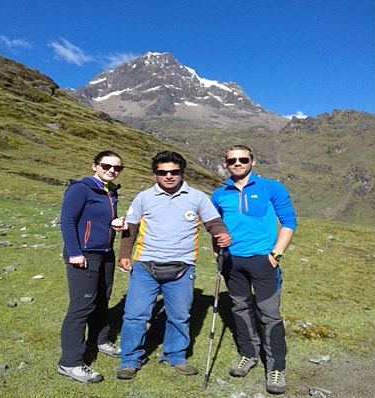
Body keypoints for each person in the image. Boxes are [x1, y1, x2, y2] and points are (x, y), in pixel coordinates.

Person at [116, 150, 231, 380]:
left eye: (174, 172)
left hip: (182, 268)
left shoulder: (198, 197)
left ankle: (175, 355)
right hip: (145, 266)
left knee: (179, 315)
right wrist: (124, 255)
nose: (169, 176)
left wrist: (222, 233)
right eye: (163, 172)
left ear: (181, 172)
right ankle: (129, 359)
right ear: (154, 174)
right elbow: (131, 228)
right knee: (135, 315)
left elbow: (213, 222)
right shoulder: (143, 197)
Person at [211, 145, 297, 395]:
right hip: (232, 263)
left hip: (264, 261)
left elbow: (289, 221)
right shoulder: (219, 194)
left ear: (253, 161)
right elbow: (214, 225)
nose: (237, 163)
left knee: (269, 313)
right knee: (239, 307)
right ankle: (248, 354)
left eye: (242, 159)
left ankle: (276, 367)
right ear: (225, 164)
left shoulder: (272, 188)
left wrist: (276, 255)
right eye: (232, 160)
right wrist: (217, 252)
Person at [57, 150, 126, 383]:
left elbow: (96, 219)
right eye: (106, 166)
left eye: (117, 168)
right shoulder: (80, 188)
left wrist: (114, 222)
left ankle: (99, 340)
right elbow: (68, 221)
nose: (112, 170)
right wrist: (75, 252)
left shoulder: (110, 191)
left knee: (102, 299)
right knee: (82, 306)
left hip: (105, 253)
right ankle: (70, 362)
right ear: (94, 165)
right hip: (84, 255)